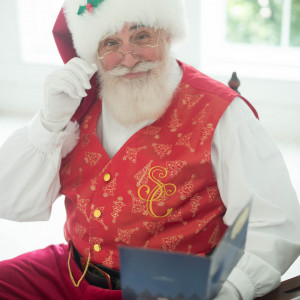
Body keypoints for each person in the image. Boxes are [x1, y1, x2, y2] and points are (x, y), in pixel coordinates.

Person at [0, 0, 299, 299]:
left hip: (164, 290)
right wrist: (48, 123)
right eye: (111, 43)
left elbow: (273, 222)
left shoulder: (222, 114)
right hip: (70, 271)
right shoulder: (78, 101)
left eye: (142, 36)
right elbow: (12, 200)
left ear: (168, 35)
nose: (128, 59)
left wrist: (232, 290)